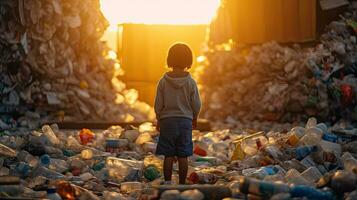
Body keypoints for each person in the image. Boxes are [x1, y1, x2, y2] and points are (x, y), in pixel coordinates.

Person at [154, 42, 201, 184]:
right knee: (183, 155)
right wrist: (195, 117)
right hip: (185, 121)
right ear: (189, 61)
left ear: (170, 60)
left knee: (168, 155)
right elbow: (196, 104)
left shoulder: (163, 82)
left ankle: (167, 182)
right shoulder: (190, 82)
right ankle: (182, 183)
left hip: (167, 121)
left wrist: (159, 118)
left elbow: (158, 104)